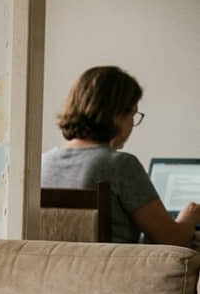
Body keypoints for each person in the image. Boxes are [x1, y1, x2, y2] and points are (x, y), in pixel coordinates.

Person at [41, 65, 200, 246]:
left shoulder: (43, 163)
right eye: (133, 114)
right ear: (117, 114)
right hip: (115, 272)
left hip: (57, 271)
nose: (133, 124)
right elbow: (170, 238)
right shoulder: (120, 165)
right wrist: (189, 217)